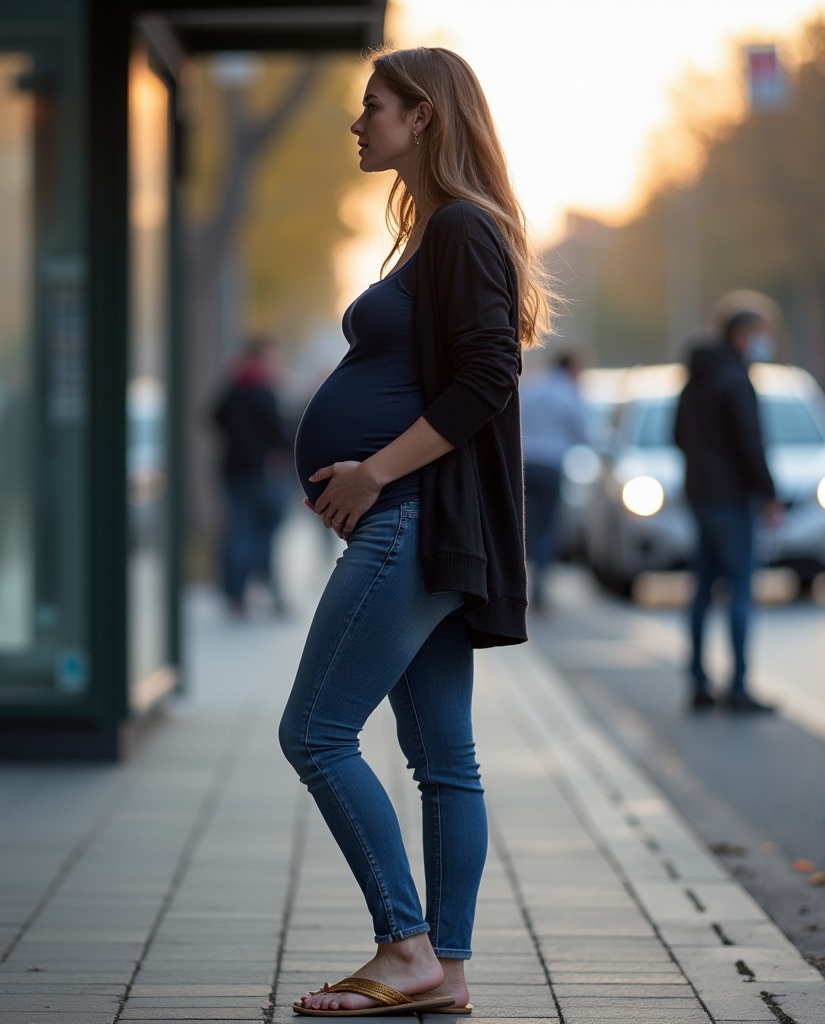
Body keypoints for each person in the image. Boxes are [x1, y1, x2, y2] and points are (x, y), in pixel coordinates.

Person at [278, 47, 551, 1015]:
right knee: (443, 760)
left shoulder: (464, 230)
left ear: (424, 116)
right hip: (418, 523)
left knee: (312, 732)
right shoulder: (440, 231)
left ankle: (404, 944)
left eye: (374, 108)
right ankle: (450, 971)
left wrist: (372, 471)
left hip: (410, 519)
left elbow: (487, 378)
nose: (359, 124)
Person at [673, 306, 782, 712]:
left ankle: (699, 683)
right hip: (733, 500)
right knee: (739, 590)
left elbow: (678, 434)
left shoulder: (696, 378)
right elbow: (750, 443)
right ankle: (737, 686)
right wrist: (769, 492)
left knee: (702, 589)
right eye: (760, 333)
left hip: (701, 497)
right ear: (741, 333)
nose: (764, 342)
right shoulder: (736, 379)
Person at [213, 336, 291, 615]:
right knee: (265, 532)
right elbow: (280, 433)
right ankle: (269, 589)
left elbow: (214, 417)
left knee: (240, 530)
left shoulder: (234, 387)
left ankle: (236, 594)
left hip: (234, 472)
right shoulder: (263, 389)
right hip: (263, 473)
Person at [520, 351, 588, 609]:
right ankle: (539, 591)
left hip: (524, 463)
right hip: (551, 466)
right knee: (547, 530)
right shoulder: (568, 393)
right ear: (570, 368)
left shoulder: (533, 387)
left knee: (522, 527)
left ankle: (514, 587)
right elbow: (581, 431)